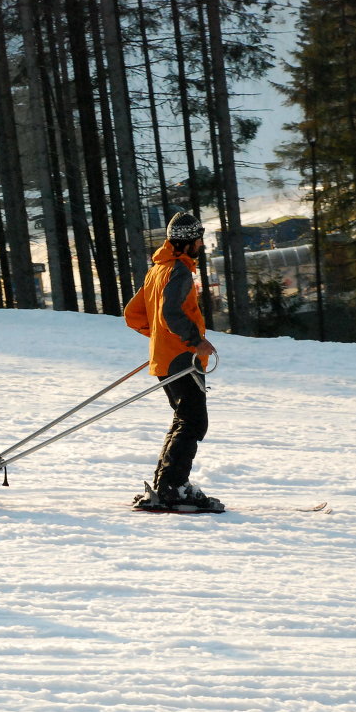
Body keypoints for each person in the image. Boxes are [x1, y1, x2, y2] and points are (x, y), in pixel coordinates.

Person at [123, 211, 221, 510]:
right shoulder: (177, 270)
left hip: (168, 357)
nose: (202, 245)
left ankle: (167, 484)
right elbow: (172, 315)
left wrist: (160, 340)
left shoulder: (158, 268)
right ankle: (173, 487)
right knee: (193, 422)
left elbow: (133, 314)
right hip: (182, 358)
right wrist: (195, 341)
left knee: (184, 420)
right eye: (199, 240)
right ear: (189, 242)